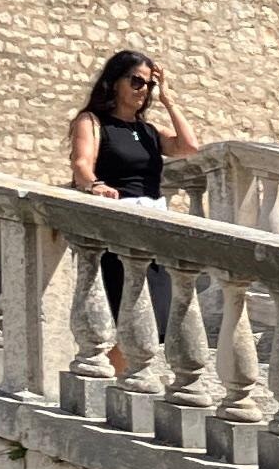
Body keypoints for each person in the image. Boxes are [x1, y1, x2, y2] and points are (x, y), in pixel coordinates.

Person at [67, 48, 194, 333]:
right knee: (123, 319)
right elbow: (81, 163)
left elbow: (188, 147)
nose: (143, 90)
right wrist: (95, 185)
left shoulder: (148, 130)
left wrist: (169, 100)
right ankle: (117, 376)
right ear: (115, 81)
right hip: (119, 227)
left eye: (148, 84)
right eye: (136, 81)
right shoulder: (92, 121)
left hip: (154, 229)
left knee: (156, 323)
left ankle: (121, 375)